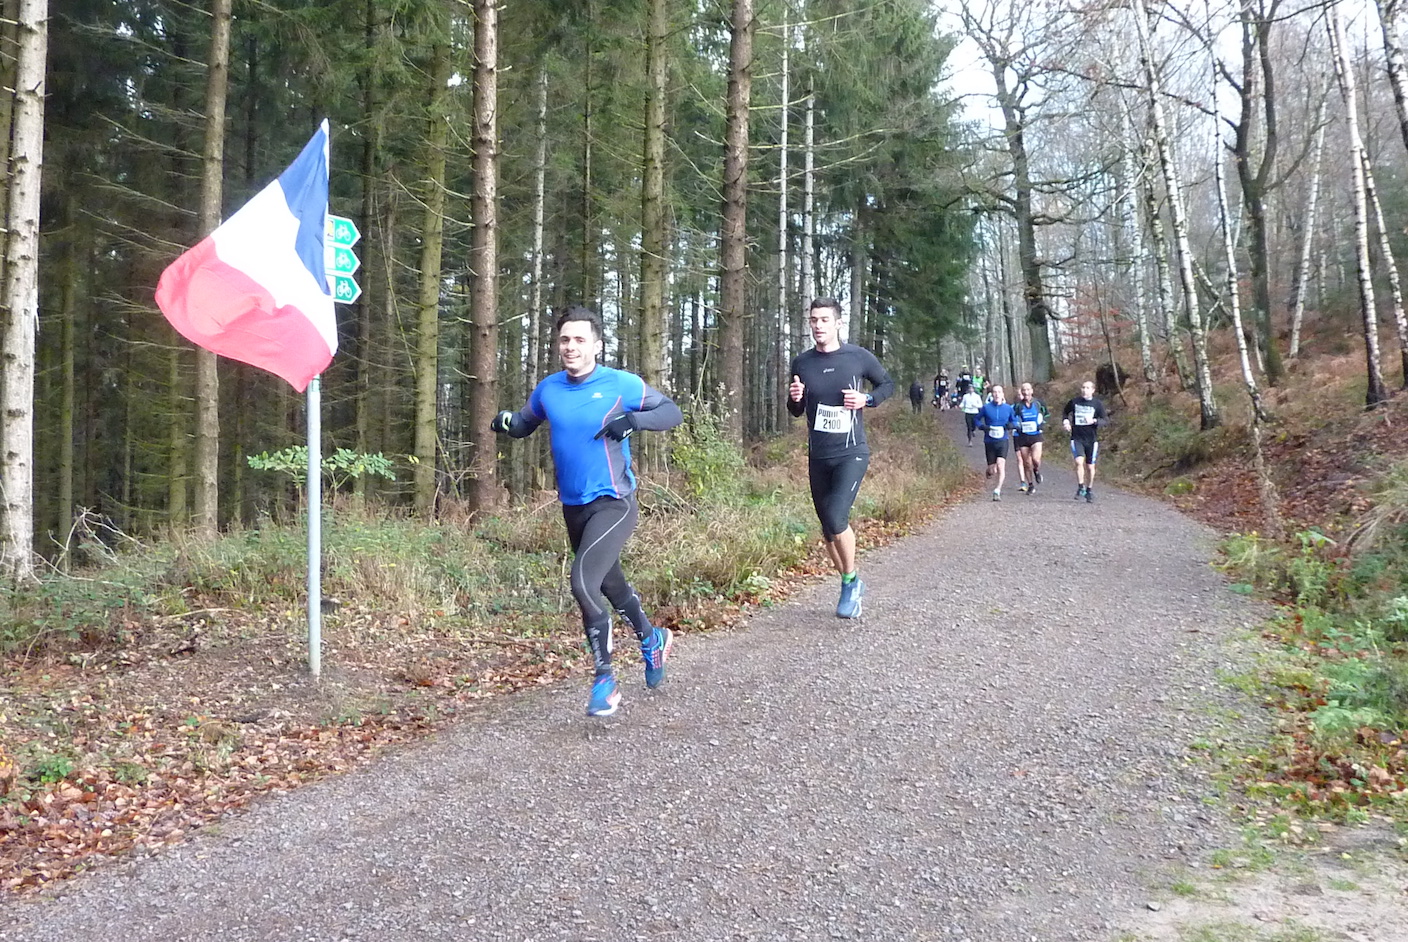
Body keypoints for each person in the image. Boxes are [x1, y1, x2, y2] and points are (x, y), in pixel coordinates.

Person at [491, 305, 683, 717]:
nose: (571, 347)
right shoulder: (549, 389)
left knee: (582, 582)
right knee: (611, 585)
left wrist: (632, 421)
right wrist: (506, 422)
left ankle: (604, 680)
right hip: (573, 507)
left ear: (597, 345)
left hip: (614, 503)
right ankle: (652, 640)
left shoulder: (619, 383)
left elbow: (671, 412)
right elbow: (525, 423)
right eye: (565, 339)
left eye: (580, 339)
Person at [787, 297, 894, 619]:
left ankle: (849, 582)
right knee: (827, 529)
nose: (818, 325)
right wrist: (795, 399)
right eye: (813, 320)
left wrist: (867, 399)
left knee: (836, 518)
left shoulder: (857, 357)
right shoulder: (802, 363)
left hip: (851, 452)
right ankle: (851, 581)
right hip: (818, 455)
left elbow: (887, 384)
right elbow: (796, 410)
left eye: (824, 320)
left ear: (837, 323)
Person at [1061, 379, 1109, 503]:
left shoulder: (1097, 404)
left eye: (1087, 388)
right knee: (1078, 462)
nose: (1084, 390)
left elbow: (1105, 420)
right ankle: (1081, 486)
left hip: (1091, 439)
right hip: (1077, 437)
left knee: (1090, 466)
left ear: (1093, 390)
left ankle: (1089, 490)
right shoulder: (1074, 402)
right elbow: (1065, 412)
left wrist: (1094, 421)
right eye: (1083, 387)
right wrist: (1066, 422)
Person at [973, 383, 1017, 500]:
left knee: (1001, 465)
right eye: (995, 392)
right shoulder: (986, 408)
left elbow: (1015, 421)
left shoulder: (1008, 408)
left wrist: (1011, 425)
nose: (997, 394)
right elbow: (976, 419)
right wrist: (982, 426)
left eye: (999, 392)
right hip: (989, 441)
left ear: (1002, 394)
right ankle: (989, 470)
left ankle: (997, 490)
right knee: (993, 470)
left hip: (1003, 440)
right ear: (992, 394)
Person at [1012, 382, 1048, 495]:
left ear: (1032, 391)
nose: (1026, 392)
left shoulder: (1038, 403)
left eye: (1028, 390)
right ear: (1021, 392)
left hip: (1036, 435)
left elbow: (1047, 415)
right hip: (1023, 436)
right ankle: (1031, 485)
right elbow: (1013, 418)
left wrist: (1042, 424)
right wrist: (1016, 425)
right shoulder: (1018, 406)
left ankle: (1036, 470)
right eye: (1024, 390)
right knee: (1026, 463)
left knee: (1035, 460)